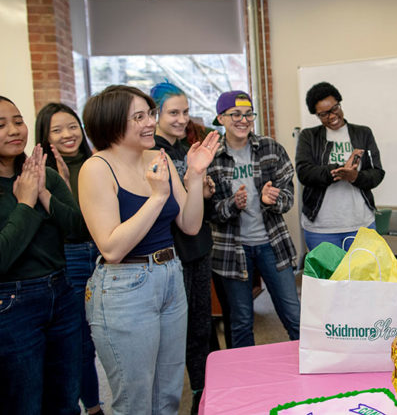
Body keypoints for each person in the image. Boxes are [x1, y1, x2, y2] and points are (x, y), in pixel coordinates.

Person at [79, 85, 219, 415]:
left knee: (169, 392)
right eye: (138, 117)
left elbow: (190, 224)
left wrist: (195, 176)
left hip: (171, 275)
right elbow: (111, 248)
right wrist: (157, 198)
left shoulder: (160, 158)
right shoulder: (96, 168)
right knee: (135, 399)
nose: (149, 123)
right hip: (126, 286)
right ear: (112, 123)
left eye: (150, 114)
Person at [0, 93, 83, 414]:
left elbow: (78, 230)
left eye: (18, 121)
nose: (14, 130)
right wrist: (26, 202)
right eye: (0, 125)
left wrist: (44, 193)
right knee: (22, 406)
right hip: (6, 306)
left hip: (62, 295)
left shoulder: (44, 174)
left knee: (65, 402)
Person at [208, 90, 300, 348]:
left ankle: (310, 370)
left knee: (294, 315)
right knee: (241, 321)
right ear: (221, 118)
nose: (243, 120)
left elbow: (288, 197)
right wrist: (232, 205)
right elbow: (207, 211)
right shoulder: (211, 157)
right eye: (235, 114)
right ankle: (243, 382)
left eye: (248, 114)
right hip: (231, 250)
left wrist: (274, 199)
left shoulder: (271, 149)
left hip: (272, 245)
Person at [35, 102, 104, 415]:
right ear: (45, 136)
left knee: (107, 333)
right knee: (80, 342)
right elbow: (72, 223)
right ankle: (92, 407)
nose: (67, 134)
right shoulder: (43, 174)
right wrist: (61, 186)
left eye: (72, 126)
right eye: (57, 130)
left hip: (105, 253)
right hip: (72, 256)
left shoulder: (97, 162)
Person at [149, 82, 214, 414]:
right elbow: (171, 210)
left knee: (202, 330)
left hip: (198, 248)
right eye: (173, 112)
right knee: (186, 334)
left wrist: (202, 188)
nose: (181, 119)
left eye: (185, 112)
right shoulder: (154, 153)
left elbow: (193, 202)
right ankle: (195, 400)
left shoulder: (181, 147)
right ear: (155, 114)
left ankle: (205, 397)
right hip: (178, 253)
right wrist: (194, 187)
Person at [296, 81, 385, 251]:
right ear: (316, 115)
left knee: (362, 277)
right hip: (320, 228)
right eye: (323, 114)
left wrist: (355, 177)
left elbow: (377, 173)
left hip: (361, 225)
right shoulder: (309, 136)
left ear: (339, 103)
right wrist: (337, 171)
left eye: (334, 109)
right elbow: (304, 172)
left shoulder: (363, 133)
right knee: (329, 278)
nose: (331, 116)